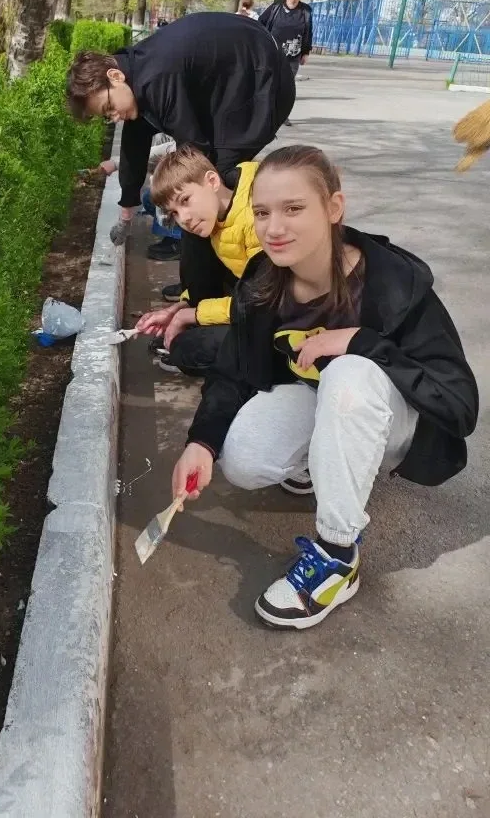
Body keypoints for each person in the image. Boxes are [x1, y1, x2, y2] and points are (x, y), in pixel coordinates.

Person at [171, 144, 478, 630]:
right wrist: (201, 442)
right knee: (244, 458)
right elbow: (233, 369)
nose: (274, 228)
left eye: (294, 209)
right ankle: (327, 463)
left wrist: (362, 341)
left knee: (348, 372)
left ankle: (338, 555)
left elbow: (460, 406)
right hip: (324, 399)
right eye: (262, 212)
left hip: (396, 422)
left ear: (334, 208)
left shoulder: (392, 283)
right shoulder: (264, 279)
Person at [65, 12, 295, 291]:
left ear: (114, 76)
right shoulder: (136, 72)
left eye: (109, 108)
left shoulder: (157, 78)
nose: (113, 117)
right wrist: (128, 204)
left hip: (262, 83)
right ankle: (213, 284)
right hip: (235, 79)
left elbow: (194, 157)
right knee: (200, 193)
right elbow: (134, 142)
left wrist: (179, 205)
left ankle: (208, 290)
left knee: (207, 185)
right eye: (106, 116)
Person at [134, 145, 261, 376]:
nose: (184, 218)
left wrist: (191, 315)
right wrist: (179, 308)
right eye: (174, 212)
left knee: (188, 349)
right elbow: (216, 278)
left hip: (289, 321)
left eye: (185, 200)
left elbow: (263, 302)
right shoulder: (216, 214)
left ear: (212, 181)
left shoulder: (257, 217)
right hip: (256, 304)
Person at [259, 0, 313, 125]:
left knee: (286, 86)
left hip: (293, 55)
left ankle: (282, 115)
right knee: (269, 83)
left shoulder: (305, 11)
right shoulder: (276, 7)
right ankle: (264, 114)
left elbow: (308, 32)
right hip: (273, 52)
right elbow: (260, 23)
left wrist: (306, 52)